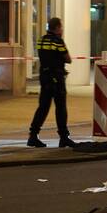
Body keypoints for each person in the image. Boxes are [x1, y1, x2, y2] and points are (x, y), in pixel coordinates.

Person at [28, 18, 76, 148]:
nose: (62, 30)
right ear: (57, 28)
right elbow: (68, 59)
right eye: (61, 27)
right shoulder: (58, 41)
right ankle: (64, 137)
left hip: (44, 76)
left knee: (43, 107)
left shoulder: (41, 40)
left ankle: (33, 135)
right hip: (57, 77)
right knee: (60, 108)